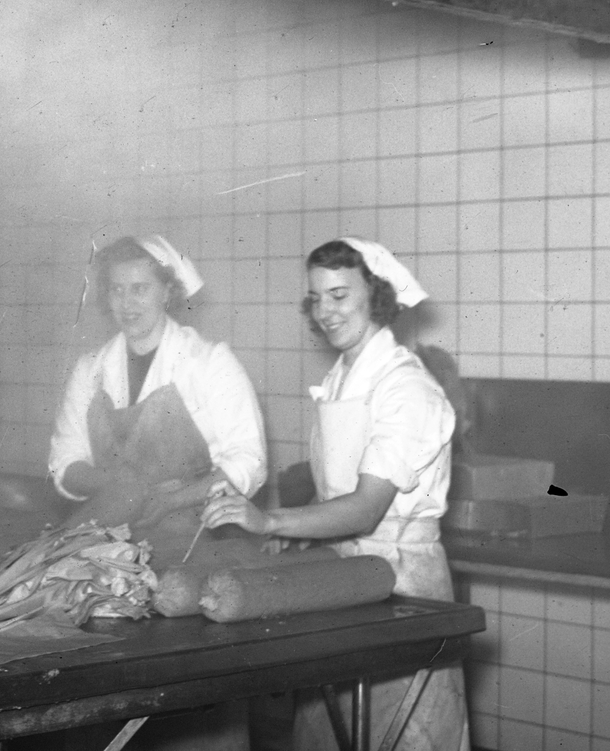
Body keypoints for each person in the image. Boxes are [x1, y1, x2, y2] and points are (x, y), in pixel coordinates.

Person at [201, 237, 469, 751]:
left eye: (339, 295)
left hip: (403, 585)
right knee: (331, 731)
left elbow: (366, 508)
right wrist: (303, 530)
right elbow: (339, 491)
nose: (325, 311)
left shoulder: (406, 387)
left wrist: (273, 521)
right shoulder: (341, 377)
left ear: (377, 295)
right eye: (316, 298)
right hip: (345, 581)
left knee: (400, 731)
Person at [48, 234, 267, 555]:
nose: (127, 303)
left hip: (197, 538)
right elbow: (64, 462)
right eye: (117, 289)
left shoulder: (209, 362)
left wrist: (172, 500)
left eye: (140, 289)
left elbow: (250, 461)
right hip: (107, 541)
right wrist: (116, 485)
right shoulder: (90, 370)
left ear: (167, 292)